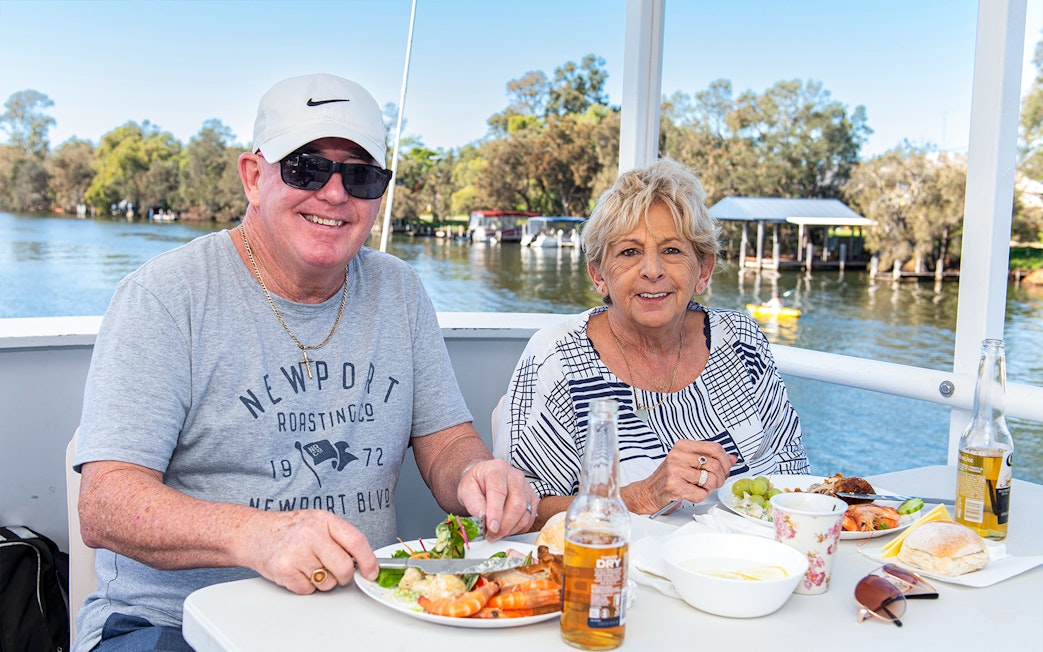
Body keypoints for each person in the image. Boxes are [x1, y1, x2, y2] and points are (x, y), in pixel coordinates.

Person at [72, 73, 539, 652]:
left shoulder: (400, 291)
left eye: (361, 175)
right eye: (306, 167)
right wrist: (256, 536)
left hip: (362, 614)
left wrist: (477, 475)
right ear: (253, 176)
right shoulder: (166, 296)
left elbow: (446, 443)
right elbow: (105, 503)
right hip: (173, 623)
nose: (335, 193)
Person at [493, 158, 808, 529]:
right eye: (629, 252)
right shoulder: (558, 359)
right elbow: (520, 513)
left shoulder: (742, 339)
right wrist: (640, 496)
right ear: (599, 275)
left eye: (672, 250)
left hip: (754, 571)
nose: (653, 270)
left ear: (703, 270)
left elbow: (793, 473)